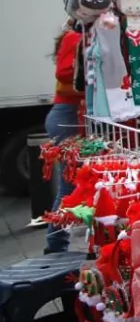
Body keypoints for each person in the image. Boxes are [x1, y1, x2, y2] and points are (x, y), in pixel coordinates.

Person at [45, 18, 84, 254]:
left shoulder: (76, 37)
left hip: (70, 115)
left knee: (72, 185)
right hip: (68, 116)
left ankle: (58, 243)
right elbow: (64, 73)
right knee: (68, 187)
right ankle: (56, 245)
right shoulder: (74, 37)